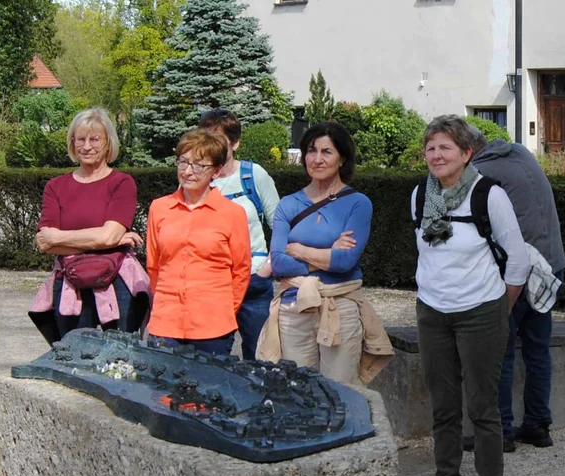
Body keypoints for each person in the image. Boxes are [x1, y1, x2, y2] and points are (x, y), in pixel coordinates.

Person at [410, 115, 531, 476]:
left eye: (445, 147)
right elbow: (426, 254)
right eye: (430, 148)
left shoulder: (487, 195)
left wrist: (501, 308)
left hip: (481, 310)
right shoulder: (418, 196)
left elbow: (518, 258)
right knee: (443, 407)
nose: (436, 155)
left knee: (483, 407)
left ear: (466, 153)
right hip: (433, 312)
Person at [260, 120, 393, 383]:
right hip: (294, 308)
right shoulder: (288, 204)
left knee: (340, 392)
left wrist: (299, 250)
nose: (317, 159)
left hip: (340, 307)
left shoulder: (357, 203)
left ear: (342, 158)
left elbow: (345, 262)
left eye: (326, 152)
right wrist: (326, 254)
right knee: (297, 391)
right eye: (311, 150)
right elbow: (278, 263)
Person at [472, 132, 565, 451]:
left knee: (501, 346)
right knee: (538, 348)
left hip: (521, 269)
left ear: (467, 149)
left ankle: (500, 431)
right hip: (551, 263)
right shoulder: (521, 153)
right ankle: (538, 425)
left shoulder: (480, 172)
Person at [29, 107, 143, 342]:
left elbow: (105, 236)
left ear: (108, 143)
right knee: (72, 355)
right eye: (80, 139)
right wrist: (106, 240)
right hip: (70, 281)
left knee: (121, 357)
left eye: (94, 139)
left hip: (117, 281)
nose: (87, 146)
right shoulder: (56, 186)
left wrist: (62, 238)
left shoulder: (122, 183)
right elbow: (45, 242)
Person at [144, 128, 250, 355]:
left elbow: (241, 270)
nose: (188, 172)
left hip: (214, 325)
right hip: (166, 323)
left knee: (209, 390)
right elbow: (154, 265)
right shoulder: (159, 208)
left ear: (216, 171)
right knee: (163, 389)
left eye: (199, 165)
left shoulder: (232, 213)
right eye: (183, 162)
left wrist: (225, 311)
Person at [199, 108, 280, 360]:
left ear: (235, 143)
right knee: (211, 357)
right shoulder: (195, 176)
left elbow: (281, 225)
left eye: (219, 139)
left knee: (259, 358)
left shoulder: (253, 175)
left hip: (253, 280)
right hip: (211, 282)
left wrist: (268, 266)